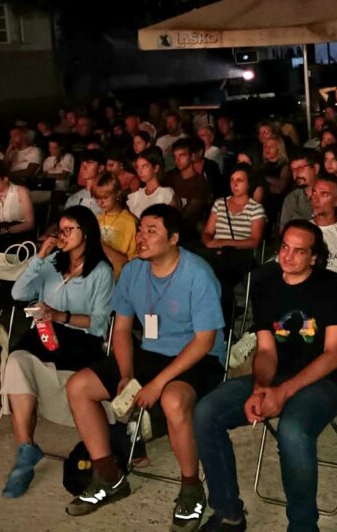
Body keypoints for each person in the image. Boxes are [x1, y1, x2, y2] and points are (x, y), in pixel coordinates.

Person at [63, 205, 225, 528]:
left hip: (196, 357)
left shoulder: (198, 274)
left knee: (173, 400)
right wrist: (126, 374)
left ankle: (192, 488)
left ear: (174, 238)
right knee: (78, 386)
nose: (141, 237)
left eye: (152, 231)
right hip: (150, 352)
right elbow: (121, 329)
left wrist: (156, 384)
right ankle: (108, 474)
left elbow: (205, 341)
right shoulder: (134, 272)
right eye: (141, 230)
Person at [194, 221, 337, 532]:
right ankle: (228, 513)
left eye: (299, 251)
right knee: (206, 413)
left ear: (314, 258)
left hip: (323, 380)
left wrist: (285, 391)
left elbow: (333, 355)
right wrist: (261, 387)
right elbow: (266, 350)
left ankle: (303, 527)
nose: (288, 256)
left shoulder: (332, 286)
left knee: (293, 431)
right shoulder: (266, 284)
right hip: (277, 376)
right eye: (284, 248)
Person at [0, 206, 115, 498]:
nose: (61, 236)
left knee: (35, 357)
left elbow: (99, 323)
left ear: (85, 233)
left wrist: (60, 316)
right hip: (43, 335)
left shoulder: (100, 271)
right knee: (15, 361)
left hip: (78, 340)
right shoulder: (51, 262)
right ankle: (26, 449)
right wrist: (39, 256)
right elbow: (18, 294)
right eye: (59, 230)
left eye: (68, 230)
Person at [201, 165, 267, 328]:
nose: (235, 184)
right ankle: (222, 309)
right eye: (232, 180)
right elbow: (208, 231)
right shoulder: (220, 203)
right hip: (217, 252)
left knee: (220, 271)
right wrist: (209, 241)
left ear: (248, 184)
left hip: (240, 254)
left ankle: (224, 311)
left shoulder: (255, 208)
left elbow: (254, 241)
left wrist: (225, 242)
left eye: (240, 180)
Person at [280, 150, 337, 229]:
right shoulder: (291, 199)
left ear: (315, 168)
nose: (296, 174)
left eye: (300, 168)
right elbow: (283, 232)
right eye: (293, 169)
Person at [92, 171, 139, 278]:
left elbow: (132, 262)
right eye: (97, 198)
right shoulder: (96, 218)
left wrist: (103, 247)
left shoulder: (130, 222)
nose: (100, 203)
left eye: (105, 198)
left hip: (117, 278)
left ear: (117, 193)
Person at [166, 138, 213, 235]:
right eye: (175, 156)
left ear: (192, 156)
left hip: (190, 229)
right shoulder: (171, 177)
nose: (177, 160)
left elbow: (189, 213)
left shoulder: (200, 182)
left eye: (182, 155)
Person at [0, 161, 36, 248]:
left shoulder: (21, 191)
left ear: (5, 179)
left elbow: (30, 223)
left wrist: (6, 230)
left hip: (19, 237)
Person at [126, 147, 177, 219]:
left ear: (155, 168)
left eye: (144, 166)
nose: (140, 172)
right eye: (137, 167)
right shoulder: (136, 196)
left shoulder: (165, 193)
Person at [66, 150, 107, 214]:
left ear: (100, 168)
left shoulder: (108, 197)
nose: (83, 167)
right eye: (82, 163)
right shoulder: (74, 198)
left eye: (89, 162)